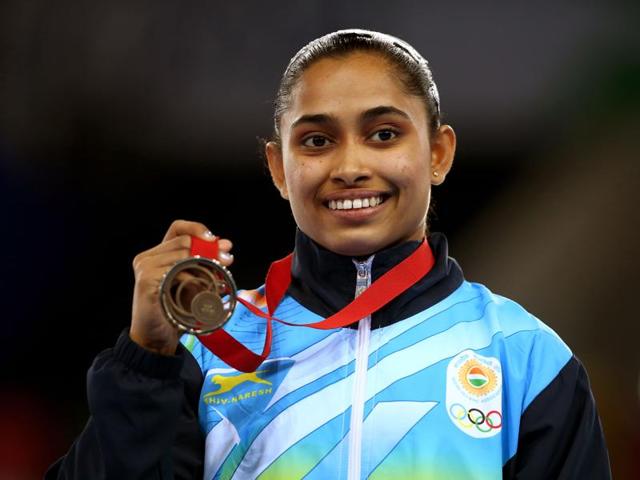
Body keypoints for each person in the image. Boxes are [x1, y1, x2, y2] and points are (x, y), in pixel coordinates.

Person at [46, 29, 611, 479]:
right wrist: (146, 359)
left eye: (384, 134)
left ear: (438, 153)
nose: (348, 167)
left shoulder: (525, 358)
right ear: (278, 168)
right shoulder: (211, 352)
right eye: (317, 141)